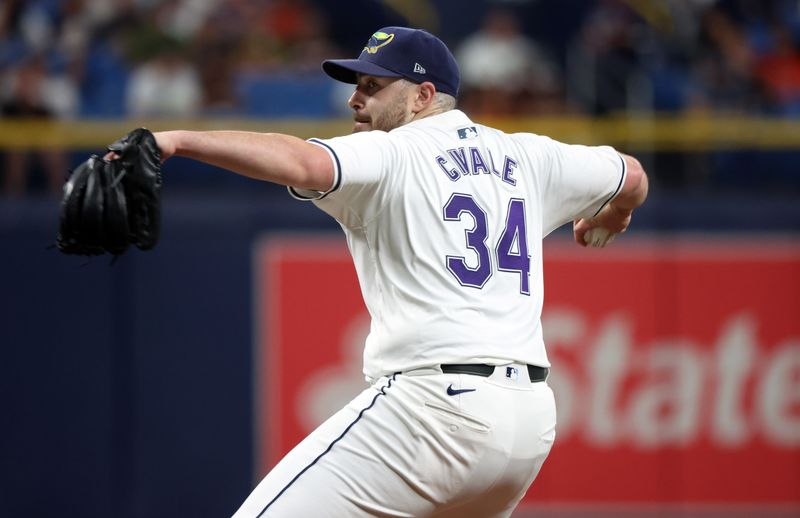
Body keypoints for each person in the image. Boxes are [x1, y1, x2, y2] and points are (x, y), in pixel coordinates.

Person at [137, 26, 648, 517]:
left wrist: (176, 140)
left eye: (373, 87)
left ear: (424, 95)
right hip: (528, 423)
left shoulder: (395, 150)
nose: (355, 100)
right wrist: (616, 214)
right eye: (357, 86)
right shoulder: (530, 154)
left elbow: (302, 163)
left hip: (432, 411)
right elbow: (632, 175)